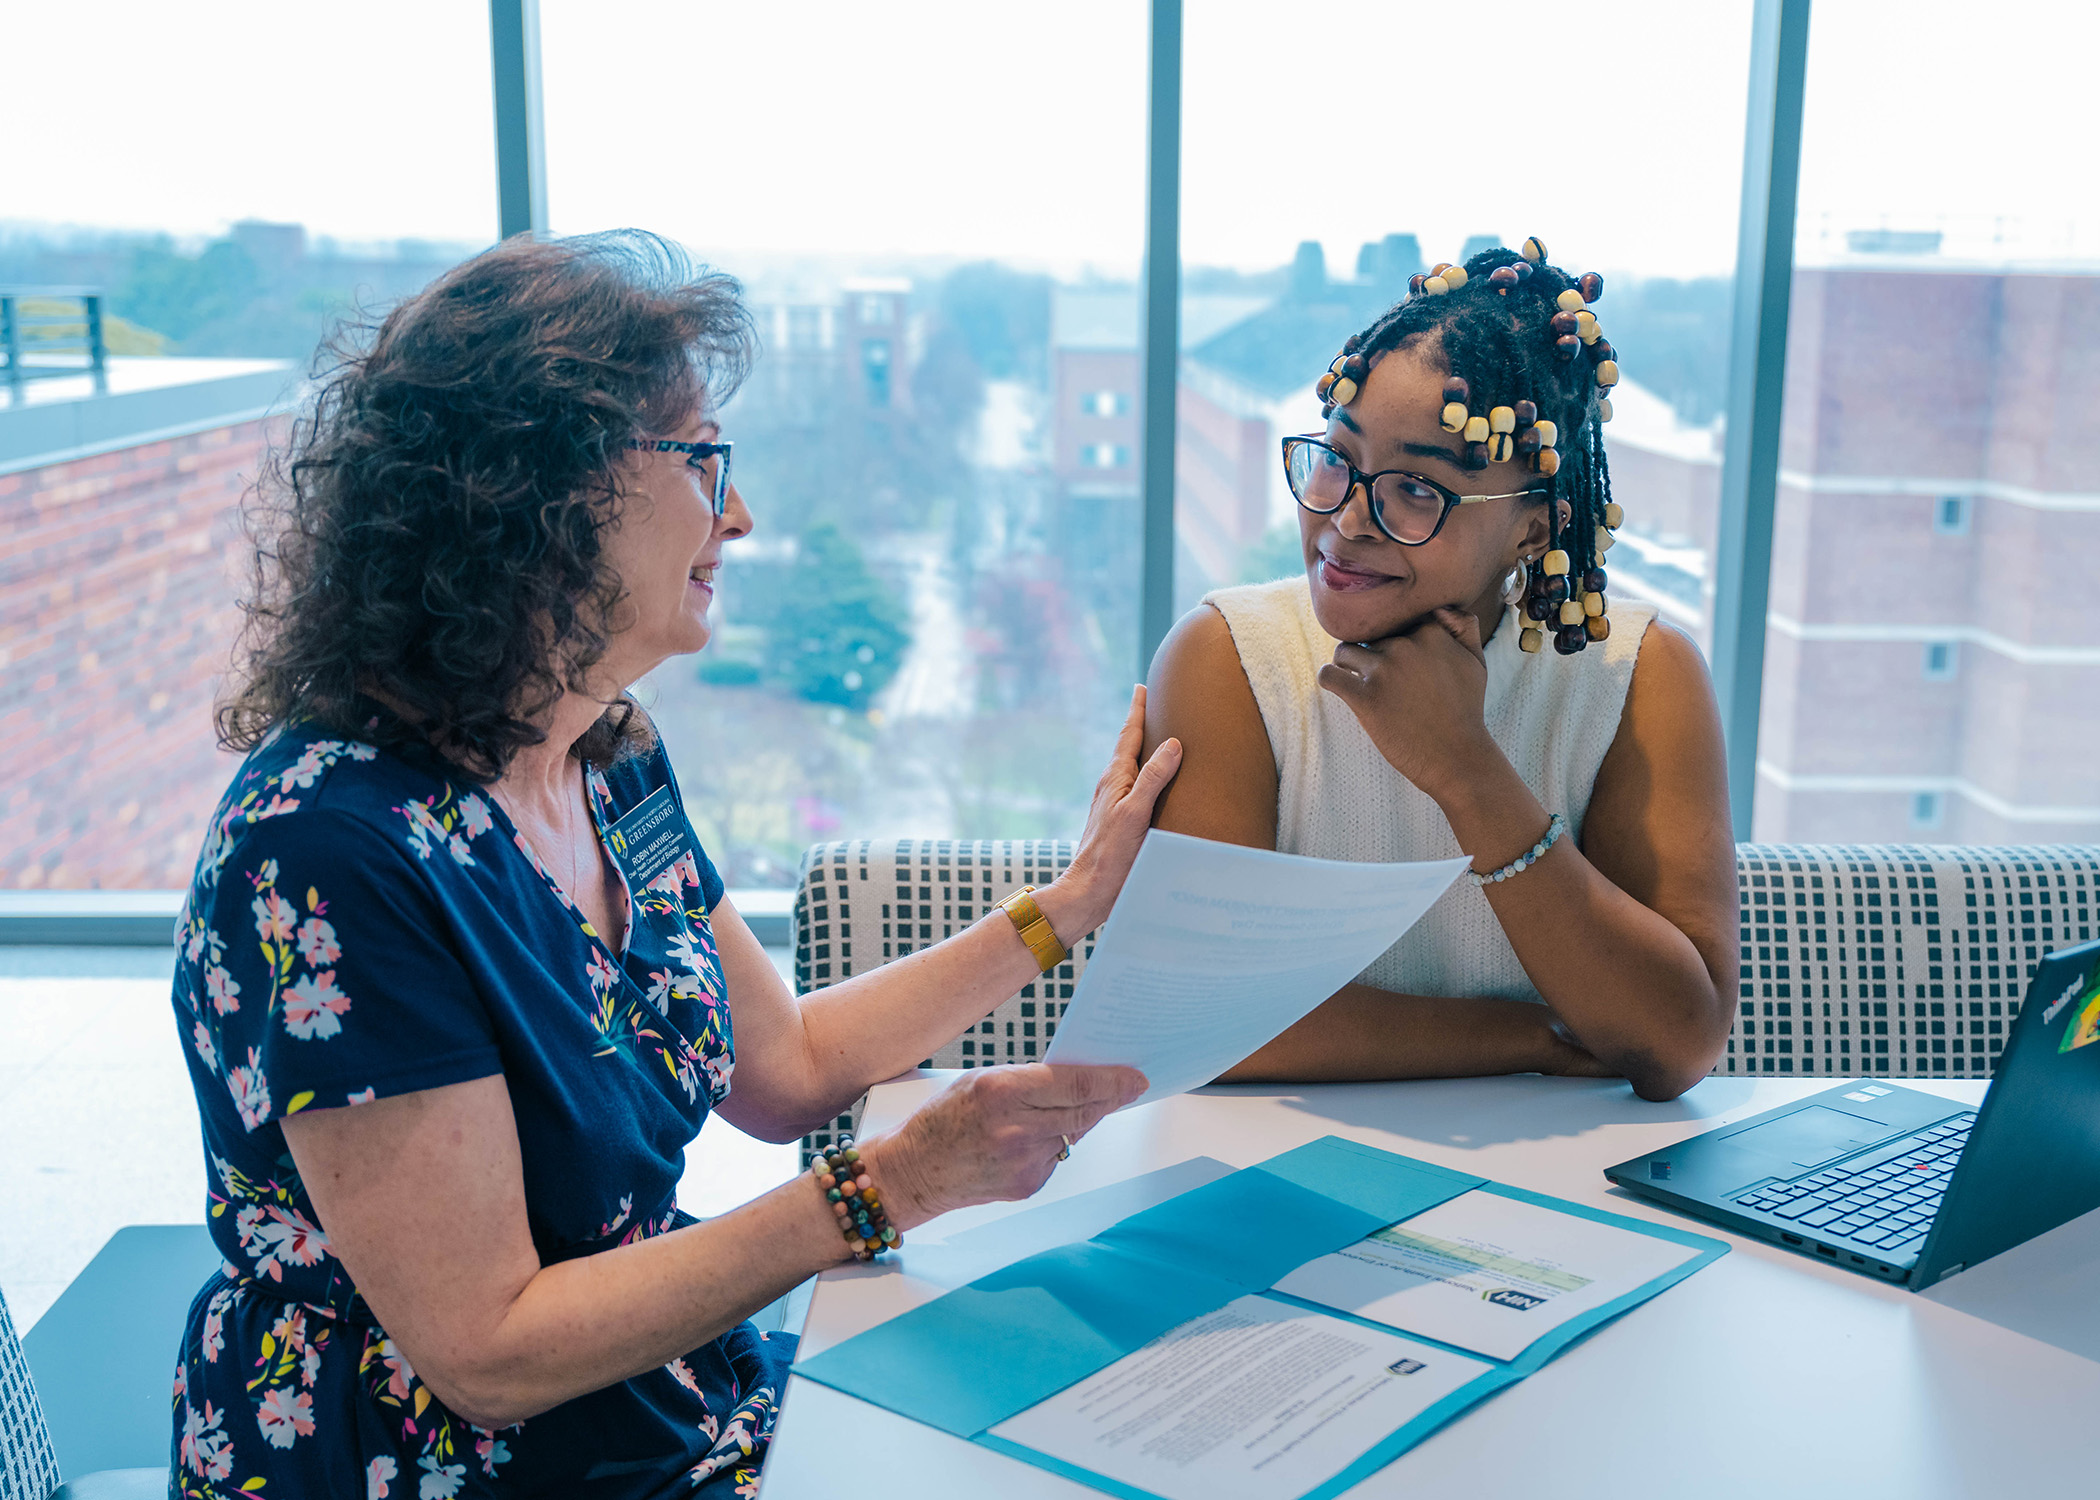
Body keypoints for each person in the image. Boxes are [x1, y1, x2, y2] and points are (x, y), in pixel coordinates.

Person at [170, 231, 1180, 1498]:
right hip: (425, 1459)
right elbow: (485, 1350)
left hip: (647, 1402)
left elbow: (790, 1071)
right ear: (536, 492)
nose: (739, 515)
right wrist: (886, 1193)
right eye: (703, 461)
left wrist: (1066, 910)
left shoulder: (607, 756)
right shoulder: (327, 854)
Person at [1143, 238, 1736, 1103]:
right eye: (1338, 461)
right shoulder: (1228, 659)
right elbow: (1200, 1020)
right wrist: (1535, 1035)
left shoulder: (1638, 677)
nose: (1347, 522)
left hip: (1566, 1193)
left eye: (1418, 490)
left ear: (1535, 526)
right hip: (1261, 1171)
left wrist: (1467, 770)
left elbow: (1676, 1041)